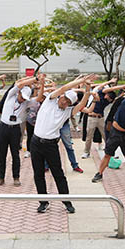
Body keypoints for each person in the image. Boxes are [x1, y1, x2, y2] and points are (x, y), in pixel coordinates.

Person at [31, 75, 95, 213]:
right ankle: (43, 202)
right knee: (38, 174)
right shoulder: (50, 100)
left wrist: (88, 89)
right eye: (64, 98)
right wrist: (81, 81)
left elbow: (82, 105)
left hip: (51, 145)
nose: (64, 102)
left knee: (58, 174)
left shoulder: (67, 112)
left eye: (68, 102)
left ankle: (67, 202)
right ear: (61, 96)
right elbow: (66, 87)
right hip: (36, 142)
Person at [0, 76, 41, 186]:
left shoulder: (26, 103)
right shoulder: (11, 95)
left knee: (15, 154)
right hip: (4, 127)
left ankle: (16, 177)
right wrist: (34, 78)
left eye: (25, 98)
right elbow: (19, 84)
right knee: (2, 154)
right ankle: (0, 177)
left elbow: (38, 99)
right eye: (22, 97)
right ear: (19, 93)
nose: (22, 99)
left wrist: (41, 85)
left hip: (15, 129)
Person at [81, 79, 125, 159]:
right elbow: (108, 89)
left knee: (106, 136)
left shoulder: (107, 101)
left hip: (101, 118)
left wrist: (123, 92)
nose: (106, 96)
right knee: (89, 136)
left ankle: (111, 152)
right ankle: (86, 152)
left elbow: (116, 98)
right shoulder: (100, 93)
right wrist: (111, 82)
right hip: (92, 117)